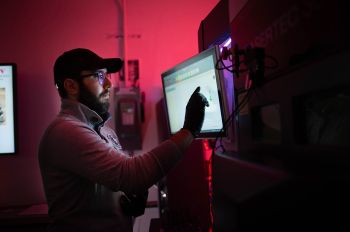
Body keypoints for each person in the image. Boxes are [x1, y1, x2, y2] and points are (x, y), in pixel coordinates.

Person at [38, 48, 209, 232]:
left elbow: (121, 179)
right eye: (100, 76)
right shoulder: (65, 131)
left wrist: (127, 200)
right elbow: (131, 175)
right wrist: (189, 131)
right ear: (71, 86)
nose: (109, 84)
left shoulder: (102, 129)